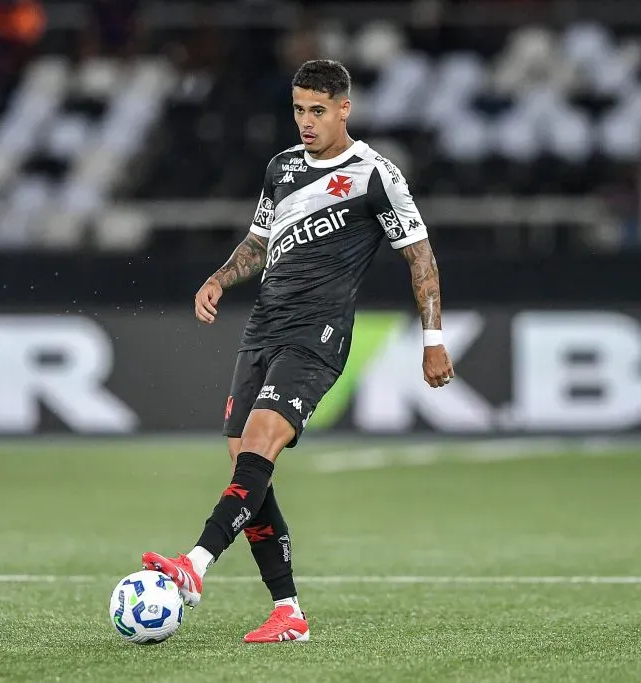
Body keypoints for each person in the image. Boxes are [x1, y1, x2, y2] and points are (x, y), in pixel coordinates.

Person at [142, 59, 455, 644]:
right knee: (247, 468)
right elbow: (260, 240)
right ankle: (288, 611)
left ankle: (194, 564)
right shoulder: (281, 168)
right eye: (298, 110)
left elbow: (421, 258)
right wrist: (220, 278)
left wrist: (433, 340)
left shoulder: (376, 175)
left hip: (318, 335)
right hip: (263, 328)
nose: (306, 122)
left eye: (317, 110)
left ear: (344, 109)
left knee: (259, 445)